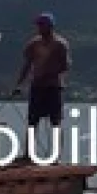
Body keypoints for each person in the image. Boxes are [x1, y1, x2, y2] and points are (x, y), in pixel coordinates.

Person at [13, 12, 71, 157]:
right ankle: (28, 154)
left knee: (55, 121)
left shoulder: (60, 44)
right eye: (38, 25)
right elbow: (27, 65)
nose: (39, 28)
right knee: (32, 121)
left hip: (54, 87)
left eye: (42, 25)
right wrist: (19, 84)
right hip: (37, 86)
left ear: (50, 26)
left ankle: (56, 155)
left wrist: (50, 72)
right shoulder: (33, 44)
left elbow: (65, 66)